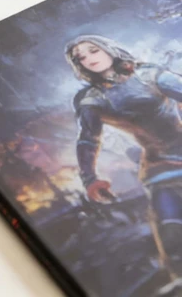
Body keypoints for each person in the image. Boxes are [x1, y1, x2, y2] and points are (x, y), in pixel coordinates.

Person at [65, 34, 182, 279]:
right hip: (161, 168)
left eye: (93, 50)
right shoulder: (91, 99)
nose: (88, 58)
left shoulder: (150, 74)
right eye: (80, 58)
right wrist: (89, 178)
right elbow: (87, 139)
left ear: (109, 49)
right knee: (173, 242)